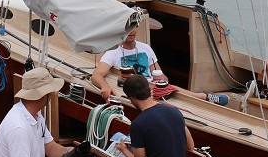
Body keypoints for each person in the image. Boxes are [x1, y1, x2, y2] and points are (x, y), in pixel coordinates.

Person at [90, 24, 228, 106]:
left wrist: (163, 81)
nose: (131, 32)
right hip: (133, 90)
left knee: (171, 88)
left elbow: (159, 74)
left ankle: (206, 97)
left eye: (133, 27)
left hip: (152, 87)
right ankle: (203, 97)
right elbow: (97, 74)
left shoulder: (146, 48)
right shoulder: (113, 53)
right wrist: (105, 86)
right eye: (127, 28)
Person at [0, 68, 82, 157]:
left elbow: (50, 148)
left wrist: (71, 152)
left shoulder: (35, 115)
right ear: (42, 95)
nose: (52, 94)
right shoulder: (18, 126)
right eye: (49, 91)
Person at [114, 75, 195, 157]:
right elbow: (190, 146)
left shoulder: (138, 124)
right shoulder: (174, 111)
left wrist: (124, 149)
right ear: (149, 91)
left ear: (132, 98)